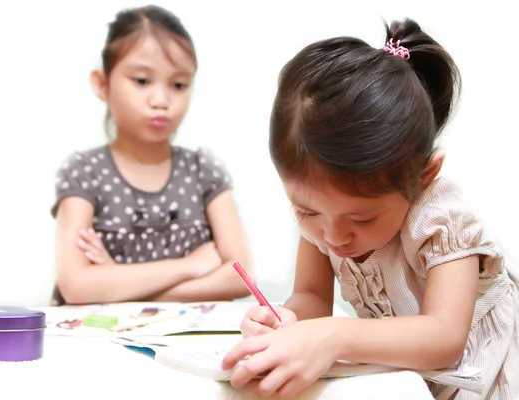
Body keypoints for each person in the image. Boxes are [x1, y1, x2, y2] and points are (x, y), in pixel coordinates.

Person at [221, 18, 519, 399]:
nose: (333, 236)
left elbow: (444, 337)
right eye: (307, 212)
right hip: (407, 384)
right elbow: (311, 298)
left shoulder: (442, 217)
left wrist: (333, 335)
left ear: (424, 176)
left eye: (361, 218)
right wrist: (283, 322)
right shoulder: (326, 217)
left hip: (487, 381)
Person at [50, 5, 252, 306]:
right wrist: (187, 267)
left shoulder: (203, 171)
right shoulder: (85, 171)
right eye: (142, 81)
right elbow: (77, 286)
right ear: (102, 85)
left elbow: (241, 276)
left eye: (179, 85)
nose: (161, 101)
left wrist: (118, 280)